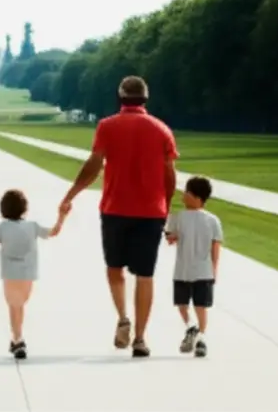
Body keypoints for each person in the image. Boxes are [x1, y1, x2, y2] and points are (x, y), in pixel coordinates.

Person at [57, 76, 178, 357]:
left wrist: (70, 194)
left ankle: (123, 317)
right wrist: (166, 205)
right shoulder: (161, 129)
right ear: (146, 99)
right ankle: (140, 338)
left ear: (120, 98)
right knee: (145, 275)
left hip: (115, 208)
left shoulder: (107, 126)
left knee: (115, 268)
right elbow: (169, 174)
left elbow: (93, 165)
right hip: (151, 211)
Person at [0, 189, 65, 359]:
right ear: (24, 209)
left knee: (14, 306)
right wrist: (62, 216)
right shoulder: (32, 226)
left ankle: (17, 339)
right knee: (21, 305)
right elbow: (53, 232)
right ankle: (17, 338)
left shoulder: (3, 227)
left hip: (10, 274)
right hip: (27, 274)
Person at [165, 176, 223, 358]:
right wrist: (170, 235)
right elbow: (171, 238)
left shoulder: (212, 220)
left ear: (198, 198)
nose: (183, 195)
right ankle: (192, 328)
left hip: (200, 270)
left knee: (200, 306)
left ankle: (201, 339)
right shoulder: (177, 217)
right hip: (184, 268)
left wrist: (214, 269)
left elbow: (215, 246)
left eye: (187, 193)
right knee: (182, 305)